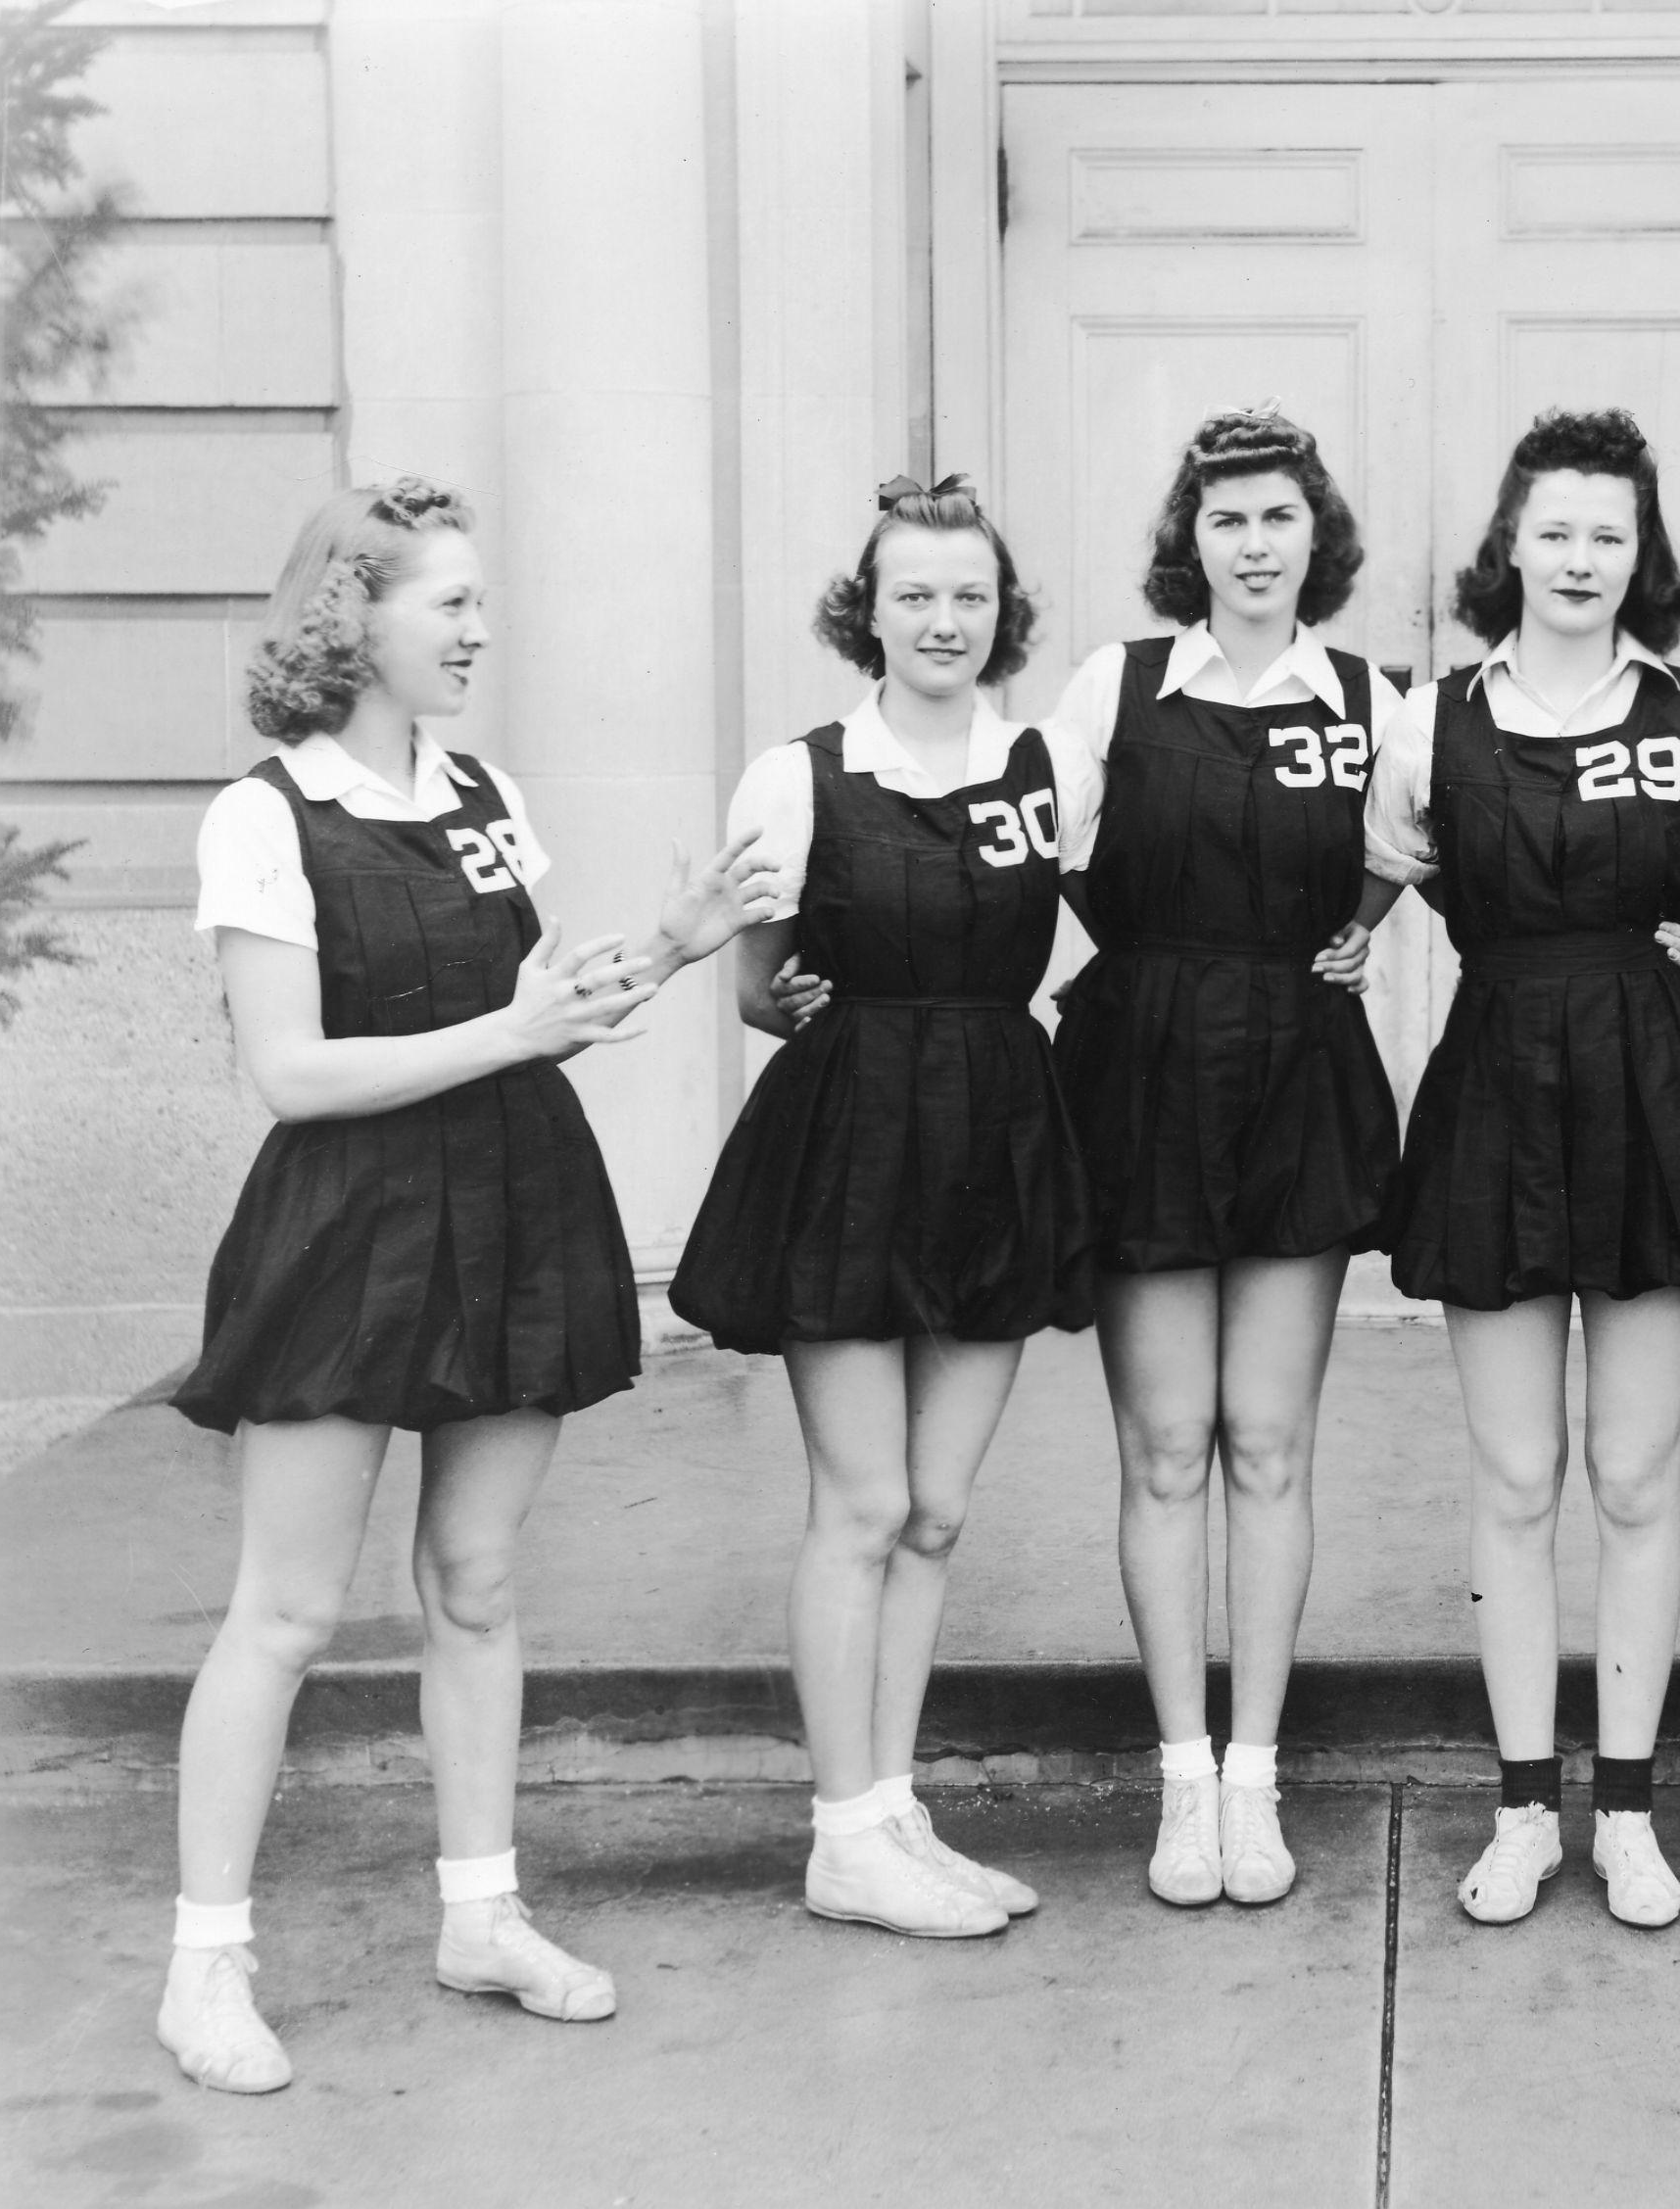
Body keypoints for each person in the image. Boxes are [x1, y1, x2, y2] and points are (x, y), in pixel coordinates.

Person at [162, 480, 777, 2093]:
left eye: (478, 603)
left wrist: (675, 941)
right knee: (287, 1609)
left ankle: (481, 1914)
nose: (479, 630)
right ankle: (205, 1964)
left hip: (512, 1198)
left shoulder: (485, 785)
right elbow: (289, 1072)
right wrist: (514, 1033)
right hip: (350, 1221)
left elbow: (547, 1000)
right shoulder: (266, 813)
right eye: (449, 604)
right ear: (349, 617)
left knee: (480, 1584)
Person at [1352, 408, 1680, 1930]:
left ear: (1638, 555)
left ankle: (1631, 1813)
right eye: (1558, 531)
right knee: (1520, 1474)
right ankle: (1526, 1808)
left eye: (1611, 534)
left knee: (1634, 1473)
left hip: (1651, 1090)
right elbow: (1354, 901)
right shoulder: (1431, 720)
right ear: (1511, 547)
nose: (1583, 558)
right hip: (1496, 1082)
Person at [669, 477, 1101, 1940]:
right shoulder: (797, 777)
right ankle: (840, 1835)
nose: (943, 619)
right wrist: (789, 999)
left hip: (995, 1134)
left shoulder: (1042, 764)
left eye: (969, 595)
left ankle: (893, 1810)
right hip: (853, 1140)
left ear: (1003, 613)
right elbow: (757, 985)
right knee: (859, 1502)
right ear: (870, 611)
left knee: (937, 1506)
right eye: (914, 593)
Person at [1045, 406, 1400, 1906]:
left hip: (1298, 1073)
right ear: (1188, 542)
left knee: (1269, 1442)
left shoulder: (1380, 698)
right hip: (1141, 1064)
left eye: (1278, 518)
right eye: (1227, 519)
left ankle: (1255, 1780)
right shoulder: (1113, 686)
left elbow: (1437, 846)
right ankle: (1180, 1780)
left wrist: (1359, 938)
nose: (1254, 545)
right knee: (1164, 1444)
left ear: (1318, 536)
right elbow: (1013, 846)